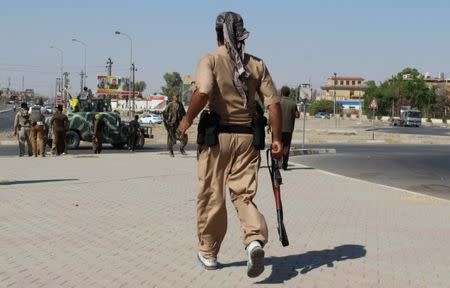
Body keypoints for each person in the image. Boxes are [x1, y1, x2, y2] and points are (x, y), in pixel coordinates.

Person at [177, 12, 283, 277]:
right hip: (248, 138)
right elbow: (273, 104)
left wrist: (186, 120)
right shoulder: (257, 65)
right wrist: (278, 139)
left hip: (217, 139)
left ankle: (209, 253)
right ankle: (255, 241)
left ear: (216, 34)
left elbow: (203, 91)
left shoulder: (210, 60)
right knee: (243, 195)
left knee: (212, 195)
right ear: (241, 35)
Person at [279, 86, 300, 170]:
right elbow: (297, 115)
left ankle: (277, 163)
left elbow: (273, 114)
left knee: (277, 145)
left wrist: (270, 125)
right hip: (288, 129)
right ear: (289, 93)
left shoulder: (277, 102)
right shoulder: (293, 103)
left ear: (281, 92)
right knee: (286, 147)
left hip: (278, 129)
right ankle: (285, 164)